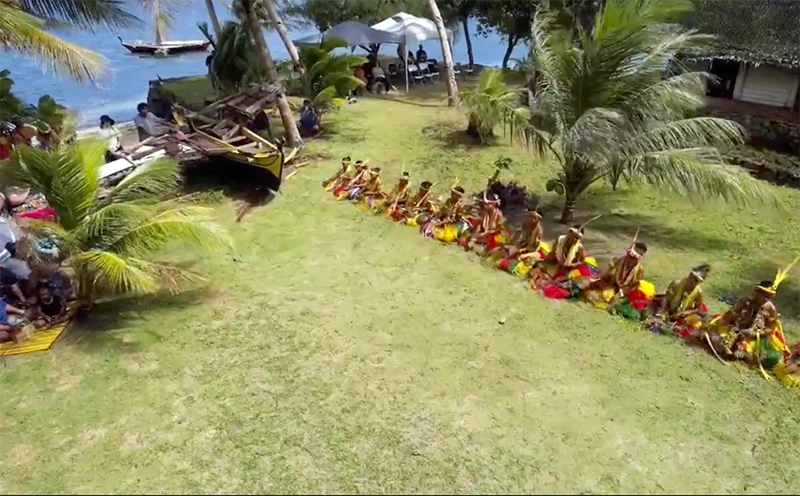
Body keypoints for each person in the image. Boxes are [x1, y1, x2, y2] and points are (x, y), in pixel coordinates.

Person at [704, 273, 792, 373]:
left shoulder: (771, 309)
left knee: (774, 357)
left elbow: (770, 329)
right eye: (763, 295)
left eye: (768, 297)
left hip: (755, 339)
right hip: (736, 330)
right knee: (714, 336)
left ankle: (742, 356)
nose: (765, 299)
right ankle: (728, 350)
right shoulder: (745, 301)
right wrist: (733, 324)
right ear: (757, 292)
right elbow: (730, 315)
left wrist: (754, 333)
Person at [579, 241, 653, 318]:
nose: (629, 258)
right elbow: (607, 273)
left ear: (636, 259)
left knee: (616, 301)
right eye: (628, 255)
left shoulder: (639, 270)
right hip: (613, 285)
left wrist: (621, 293)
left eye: (632, 258)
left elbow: (633, 285)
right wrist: (596, 279)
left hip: (627, 292)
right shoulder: (619, 260)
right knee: (593, 291)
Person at [643, 264, 710, 338]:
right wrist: (663, 312)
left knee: (694, 325)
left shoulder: (698, 292)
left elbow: (697, 308)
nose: (692, 281)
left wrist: (684, 313)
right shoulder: (677, 284)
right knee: (652, 314)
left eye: (696, 280)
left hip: (681, 315)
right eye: (692, 277)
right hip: (668, 308)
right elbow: (666, 298)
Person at [529, 224, 596, 295]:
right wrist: (546, 261)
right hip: (557, 263)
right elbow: (552, 252)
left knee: (563, 282)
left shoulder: (579, 248)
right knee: (538, 266)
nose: (575, 240)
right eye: (574, 237)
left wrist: (572, 265)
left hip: (569, 268)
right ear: (569, 233)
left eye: (577, 238)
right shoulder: (560, 240)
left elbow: (582, 261)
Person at [494, 210, 550, 277]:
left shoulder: (537, 232)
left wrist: (525, 254)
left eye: (533, 217)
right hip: (524, 250)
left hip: (534, 253)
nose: (530, 219)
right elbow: (522, 242)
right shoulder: (524, 228)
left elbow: (536, 249)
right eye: (529, 217)